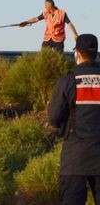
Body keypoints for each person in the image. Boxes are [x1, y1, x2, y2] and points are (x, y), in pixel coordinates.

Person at [48, 34, 100, 204]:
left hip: (75, 158)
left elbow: (54, 118)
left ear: (77, 53)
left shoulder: (68, 80)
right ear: (96, 52)